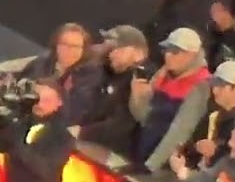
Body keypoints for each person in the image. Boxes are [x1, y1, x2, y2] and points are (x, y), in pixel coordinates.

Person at [130, 28, 212, 172]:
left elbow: (179, 132)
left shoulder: (200, 85)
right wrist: (137, 97)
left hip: (165, 167)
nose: (168, 55)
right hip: (142, 154)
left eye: (175, 51)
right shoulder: (164, 73)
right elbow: (144, 117)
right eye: (166, 49)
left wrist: (150, 166)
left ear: (191, 55)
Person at [78, 25, 149, 156]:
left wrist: (81, 132)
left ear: (137, 53)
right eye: (109, 48)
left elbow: (121, 124)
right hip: (82, 141)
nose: (111, 54)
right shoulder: (105, 70)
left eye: (117, 49)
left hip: (107, 154)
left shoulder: (141, 82)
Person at [17, 22, 102, 128]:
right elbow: (21, 83)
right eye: (64, 44)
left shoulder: (90, 73)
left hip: (60, 127)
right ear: (56, 45)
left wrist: (53, 92)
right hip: (28, 117)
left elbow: (74, 113)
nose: (69, 50)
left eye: (75, 46)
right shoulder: (43, 62)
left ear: (83, 50)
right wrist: (35, 87)